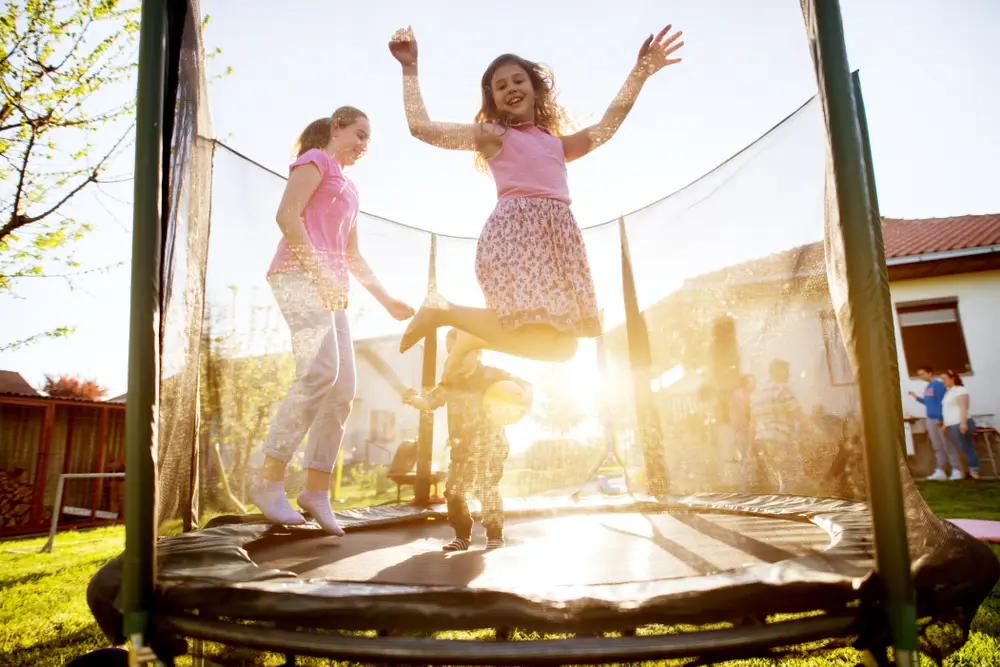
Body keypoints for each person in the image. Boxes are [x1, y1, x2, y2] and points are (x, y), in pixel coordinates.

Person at [387, 25, 684, 381]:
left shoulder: (556, 144)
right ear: (493, 100)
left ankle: (469, 333)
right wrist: (409, 69)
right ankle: (444, 311)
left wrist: (640, 73)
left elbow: (606, 127)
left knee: (564, 348)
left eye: (518, 81)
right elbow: (423, 128)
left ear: (534, 88)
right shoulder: (494, 136)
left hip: (557, 244)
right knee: (527, 330)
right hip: (516, 237)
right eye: (501, 86)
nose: (511, 88)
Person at [250, 106, 415, 534]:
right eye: (359, 134)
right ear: (336, 128)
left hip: (332, 289)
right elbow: (287, 216)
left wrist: (386, 299)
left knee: (343, 389)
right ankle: (268, 481)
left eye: (368, 140)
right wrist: (319, 274)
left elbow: (353, 255)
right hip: (297, 276)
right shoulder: (315, 161)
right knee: (319, 372)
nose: (363, 145)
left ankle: (316, 490)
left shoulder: (352, 189)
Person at [402, 329, 532, 551]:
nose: (457, 358)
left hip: (491, 445)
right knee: (454, 491)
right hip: (461, 448)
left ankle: (494, 534)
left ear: (478, 351)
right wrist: (414, 399)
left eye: (464, 352)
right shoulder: (450, 380)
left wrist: (517, 407)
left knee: (485, 487)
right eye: (452, 352)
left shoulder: (494, 375)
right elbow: (430, 402)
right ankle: (462, 535)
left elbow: (525, 389)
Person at [908, 365, 963, 481]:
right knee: (937, 446)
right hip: (930, 419)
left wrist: (940, 418)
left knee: (947, 444)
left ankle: (957, 470)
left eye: (922, 374)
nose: (921, 377)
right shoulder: (928, 387)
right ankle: (941, 470)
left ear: (930, 373)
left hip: (940, 419)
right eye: (919, 375)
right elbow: (928, 403)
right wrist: (916, 398)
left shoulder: (938, 385)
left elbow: (942, 402)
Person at [940, 370, 980, 480]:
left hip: (960, 423)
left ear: (952, 378)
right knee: (960, 449)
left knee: (966, 447)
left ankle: (974, 470)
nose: (942, 381)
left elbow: (963, 407)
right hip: (951, 425)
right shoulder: (949, 392)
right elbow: (948, 410)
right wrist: (945, 424)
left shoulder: (960, 390)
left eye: (944, 378)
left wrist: (963, 424)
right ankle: (965, 471)